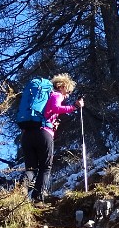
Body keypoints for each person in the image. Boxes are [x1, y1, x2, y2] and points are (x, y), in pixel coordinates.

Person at [18, 73, 83, 202]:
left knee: (31, 168)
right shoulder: (56, 94)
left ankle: (19, 190)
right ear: (62, 86)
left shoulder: (43, 98)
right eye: (68, 91)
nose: (68, 95)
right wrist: (74, 107)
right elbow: (56, 107)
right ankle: (38, 198)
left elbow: (50, 111)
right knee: (45, 168)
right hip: (43, 133)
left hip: (27, 134)